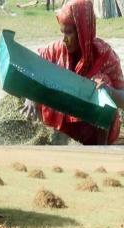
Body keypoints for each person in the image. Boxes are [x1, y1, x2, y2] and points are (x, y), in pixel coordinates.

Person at [21, 0, 124, 145]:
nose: (64, 40)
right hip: (60, 129)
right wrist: (30, 96)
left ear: (83, 31)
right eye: (62, 32)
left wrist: (109, 92)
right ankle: (57, 139)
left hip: (92, 128)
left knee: (102, 80)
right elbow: (32, 70)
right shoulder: (55, 51)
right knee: (48, 77)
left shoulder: (105, 56)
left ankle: (99, 146)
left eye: (69, 33)